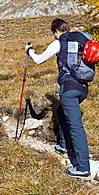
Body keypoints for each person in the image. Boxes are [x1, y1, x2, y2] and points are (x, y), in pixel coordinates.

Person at [25, 18, 91, 181]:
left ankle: (83, 169)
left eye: (52, 32)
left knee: (76, 127)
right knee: (62, 112)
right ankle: (64, 146)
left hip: (69, 89)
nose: (53, 35)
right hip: (83, 87)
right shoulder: (82, 39)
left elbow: (39, 60)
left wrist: (29, 51)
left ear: (56, 31)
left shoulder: (59, 43)